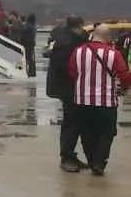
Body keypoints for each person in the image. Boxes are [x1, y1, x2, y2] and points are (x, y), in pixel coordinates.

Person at [67, 24, 131, 176]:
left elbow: (72, 72)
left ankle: (91, 160)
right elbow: (124, 76)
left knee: (86, 132)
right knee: (106, 133)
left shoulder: (78, 51)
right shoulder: (114, 54)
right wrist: (123, 88)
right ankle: (100, 162)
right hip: (106, 102)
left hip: (82, 100)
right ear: (108, 37)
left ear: (93, 35)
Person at [48, 16, 89, 172]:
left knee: (75, 122)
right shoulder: (67, 42)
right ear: (79, 26)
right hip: (69, 87)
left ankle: (70, 155)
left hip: (71, 86)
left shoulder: (65, 39)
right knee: (71, 123)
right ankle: (66, 157)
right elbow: (62, 67)